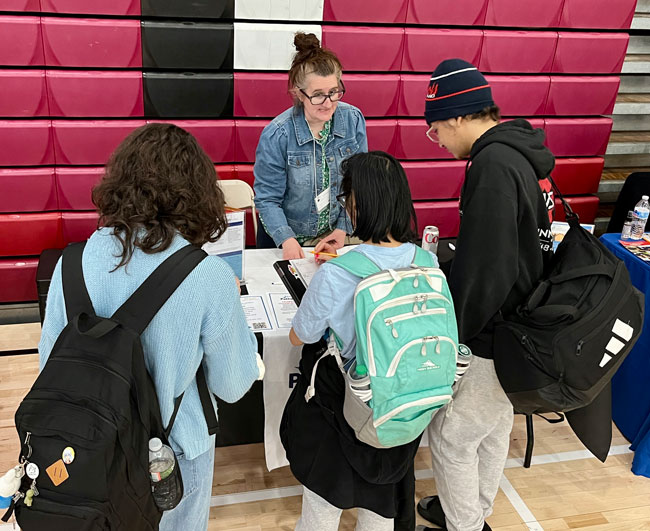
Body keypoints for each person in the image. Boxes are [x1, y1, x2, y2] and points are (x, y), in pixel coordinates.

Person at [38, 123, 263, 531]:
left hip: (87, 448)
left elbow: (48, 366)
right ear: (197, 192)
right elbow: (233, 384)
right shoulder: (208, 275)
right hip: (172, 456)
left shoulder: (70, 263)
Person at [417, 59, 555, 531]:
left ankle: (467, 524)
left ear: (458, 116)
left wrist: (455, 332)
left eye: (436, 129)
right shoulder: (519, 152)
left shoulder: (492, 165)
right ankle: (474, 510)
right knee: (494, 426)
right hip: (522, 321)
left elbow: (489, 269)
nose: (437, 140)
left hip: (494, 331)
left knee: (452, 436)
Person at [285, 151, 436, 531]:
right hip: (402, 406)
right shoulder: (427, 263)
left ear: (355, 205)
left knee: (321, 509)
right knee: (381, 507)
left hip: (343, 409)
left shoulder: (337, 274)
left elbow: (300, 336)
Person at [254, 32, 368, 260]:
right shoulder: (278, 134)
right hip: (287, 238)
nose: (328, 103)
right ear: (299, 93)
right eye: (317, 95)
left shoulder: (353, 119)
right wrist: (287, 240)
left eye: (333, 92)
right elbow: (267, 199)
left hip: (333, 234)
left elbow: (359, 183)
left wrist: (342, 228)